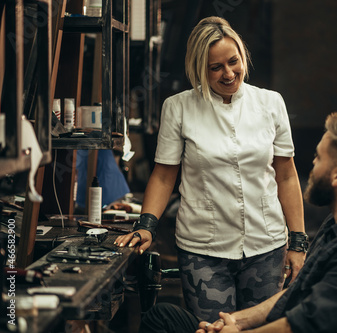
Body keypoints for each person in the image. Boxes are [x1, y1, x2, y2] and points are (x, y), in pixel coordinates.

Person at [137, 111, 337, 333]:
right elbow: (296, 294)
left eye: (319, 158)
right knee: (164, 317)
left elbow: (305, 325)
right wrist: (234, 322)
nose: (312, 167)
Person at [114, 16, 306, 321]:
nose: (228, 73)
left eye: (234, 61)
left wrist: (298, 240)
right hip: (203, 250)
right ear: (199, 69)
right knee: (213, 329)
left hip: (266, 246)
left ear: (243, 57)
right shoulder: (178, 107)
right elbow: (164, 175)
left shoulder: (271, 104)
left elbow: (286, 175)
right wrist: (146, 225)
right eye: (215, 67)